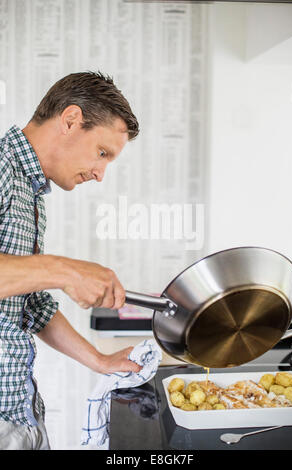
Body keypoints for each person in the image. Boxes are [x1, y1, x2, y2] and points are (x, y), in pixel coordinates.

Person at [0, 71, 142, 450]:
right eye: (102, 153)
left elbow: (29, 304)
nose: (100, 174)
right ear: (70, 120)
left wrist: (100, 360)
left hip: (22, 413)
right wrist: (66, 270)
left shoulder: (29, 192)